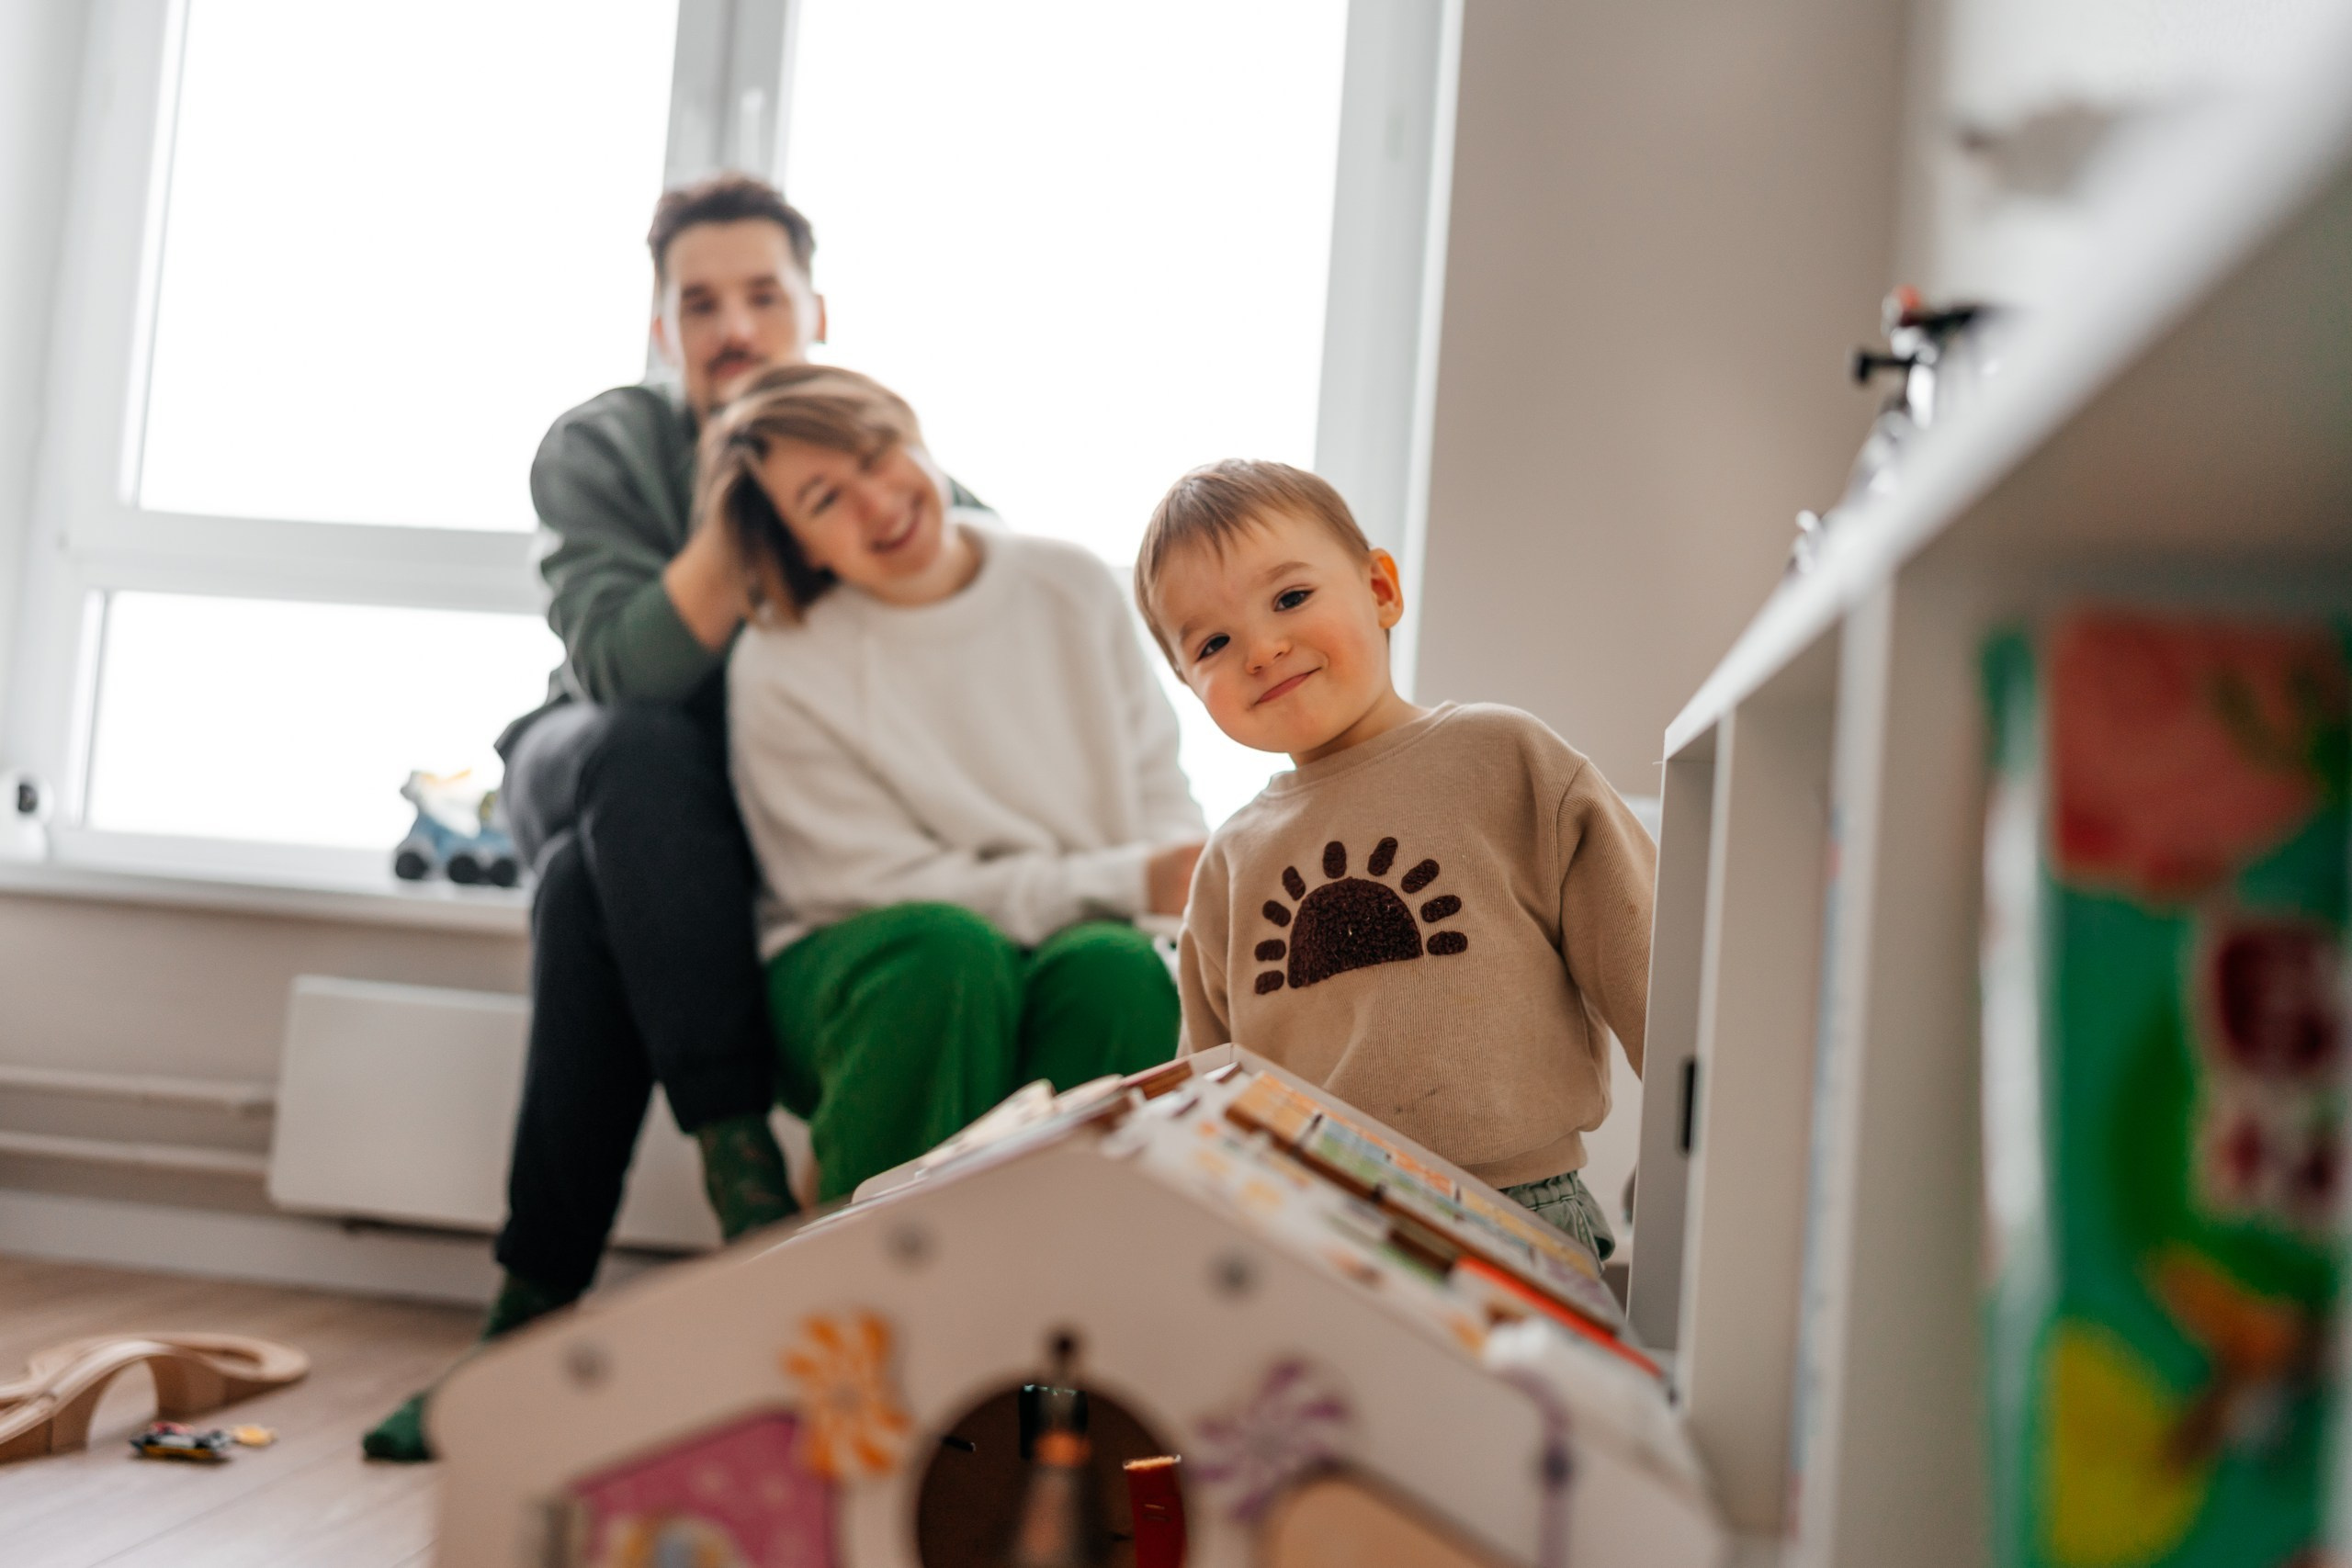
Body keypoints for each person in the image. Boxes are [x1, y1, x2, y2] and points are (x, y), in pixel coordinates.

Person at [365, 175, 984, 1462]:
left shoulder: (892, 472)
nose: (734, 327)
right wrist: (746, 485)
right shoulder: (598, 444)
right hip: (590, 755)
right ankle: (744, 1177)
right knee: (639, 763)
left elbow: (993, 632)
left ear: (820, 311)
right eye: (699, 304)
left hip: (748, 830)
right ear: (662, 329)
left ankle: (530, 1307)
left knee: (593, 898)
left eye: (764, 296)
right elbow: (633, 671)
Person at [1132, 460, 1656, 1259]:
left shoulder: (1506, 758)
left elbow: (1654, 970)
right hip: (1310, 1232)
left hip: (1515, 1215)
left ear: (1380, 589)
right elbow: (1208, 1088)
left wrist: (1715, 1162)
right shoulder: (1230, 862)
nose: (1264, 650)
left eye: (1291, 598)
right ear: (1187, 681)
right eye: (1213, 642)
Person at [710, 364, 1207, 1197]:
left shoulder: (1073, 584)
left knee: (1118, 971)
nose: (875, 501)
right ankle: (868, 1280)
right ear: (799, 543)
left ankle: (1055, 1286)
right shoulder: (781, 665)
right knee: (946, 957)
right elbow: (874, 885)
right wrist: (1127, 876)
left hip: (1071, 930)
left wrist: (1161, 883)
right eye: (825, 499)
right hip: (869, 954)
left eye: (877, 454)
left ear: (916, 436)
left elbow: (1162, 798)